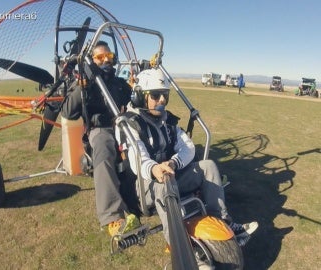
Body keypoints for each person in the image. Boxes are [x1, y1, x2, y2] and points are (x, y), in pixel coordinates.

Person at [115, 68, 258, 246]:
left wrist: (174, 162)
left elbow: (188, 146)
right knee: (164, 184)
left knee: (208, 166)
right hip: (143, 186)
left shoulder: (167, 122)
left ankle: (223, 223)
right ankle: (179, 247)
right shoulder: (127, 124)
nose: (162, 100)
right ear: (139, 96)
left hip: (170, 175)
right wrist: (154, 168)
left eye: (165, 95)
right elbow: (138, 156)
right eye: (156, 95)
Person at [61, 41, 141, 236]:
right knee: (105, 148)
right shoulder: (84, 82)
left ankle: (145, 196)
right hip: (99, 130)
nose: (106, 60)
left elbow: (135, 100)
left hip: (120, 126)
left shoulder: (118, 83)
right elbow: (68, 112)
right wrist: (82, 86)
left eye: (109, 57)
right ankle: (112, 216)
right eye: (100, 57)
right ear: (92, 60)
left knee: (143, 140)